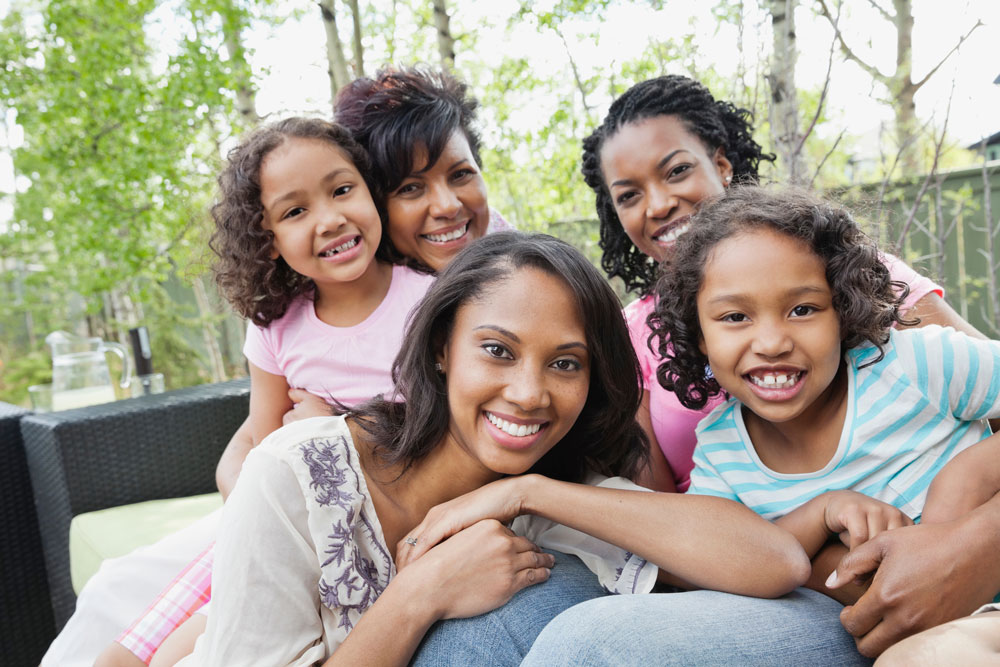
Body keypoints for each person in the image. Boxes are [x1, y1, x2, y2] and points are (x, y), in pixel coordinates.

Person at [173, 231, 807, 665]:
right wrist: (423, 592)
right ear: (443, 348)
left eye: (565, 363)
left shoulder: (553, 492)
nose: (529, 393)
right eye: (497, 351)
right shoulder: (295, 475)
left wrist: (522, 491)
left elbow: (774, 562)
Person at [93, 117, 435, 666]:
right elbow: (259, 437)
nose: (330, 219)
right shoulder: (276, 324)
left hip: (369, 538)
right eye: (295, 212)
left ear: (371, 192)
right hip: (275, 529)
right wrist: (246, 502)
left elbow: (442, 443)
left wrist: (331, 430)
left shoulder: (429, 306)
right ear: (268, 241)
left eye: (342, 189)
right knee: (120, 660)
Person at [580, 74, 987, 494]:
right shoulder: (628, 337)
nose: (659, 204)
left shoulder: (832, 266)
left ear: (721, 165)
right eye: (629, 195)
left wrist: (965, 516)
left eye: (677, 171)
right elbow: (660, 514)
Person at [652, 185, 1000, 597]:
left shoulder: (911, 365)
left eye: (802, 310)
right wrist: (822, 515)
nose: (771, 343)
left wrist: (973, 473)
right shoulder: (721, 450)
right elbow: (726, 558)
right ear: (699, 336)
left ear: (844, 311)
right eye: (735, 316)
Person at [334, 65, 513, 273]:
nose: (447, 206)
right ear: (375, 205)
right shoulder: (362, 297)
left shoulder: (522, 263)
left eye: (460, 174)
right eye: (410, 188)